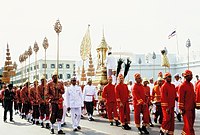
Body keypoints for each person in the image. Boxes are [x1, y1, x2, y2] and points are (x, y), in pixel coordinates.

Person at [46, 70, 65, 134]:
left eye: (56, 76)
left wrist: (59, 89)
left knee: (60, 114)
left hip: (59, 101)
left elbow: (63, 91)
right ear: (52, 77)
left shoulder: (60, 83)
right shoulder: (49, 84)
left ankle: (59, 129)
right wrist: (53, 97)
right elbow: (47, 94)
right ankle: (52, 128)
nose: (55, 78)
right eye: (54, 77)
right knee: (53, 114)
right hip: (53, 102)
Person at [178, 70, 196, 135]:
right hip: (186, 109)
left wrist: (195, 104)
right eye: (190, 76)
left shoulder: (191, 85)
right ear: (186, 77)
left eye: (192, 75)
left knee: (190, 123)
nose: (191, 77)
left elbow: (193, 95)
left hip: (192, 108)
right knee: (189, 125)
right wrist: (181, 108)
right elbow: (181, 98)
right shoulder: (182, 86)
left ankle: (184, 133)